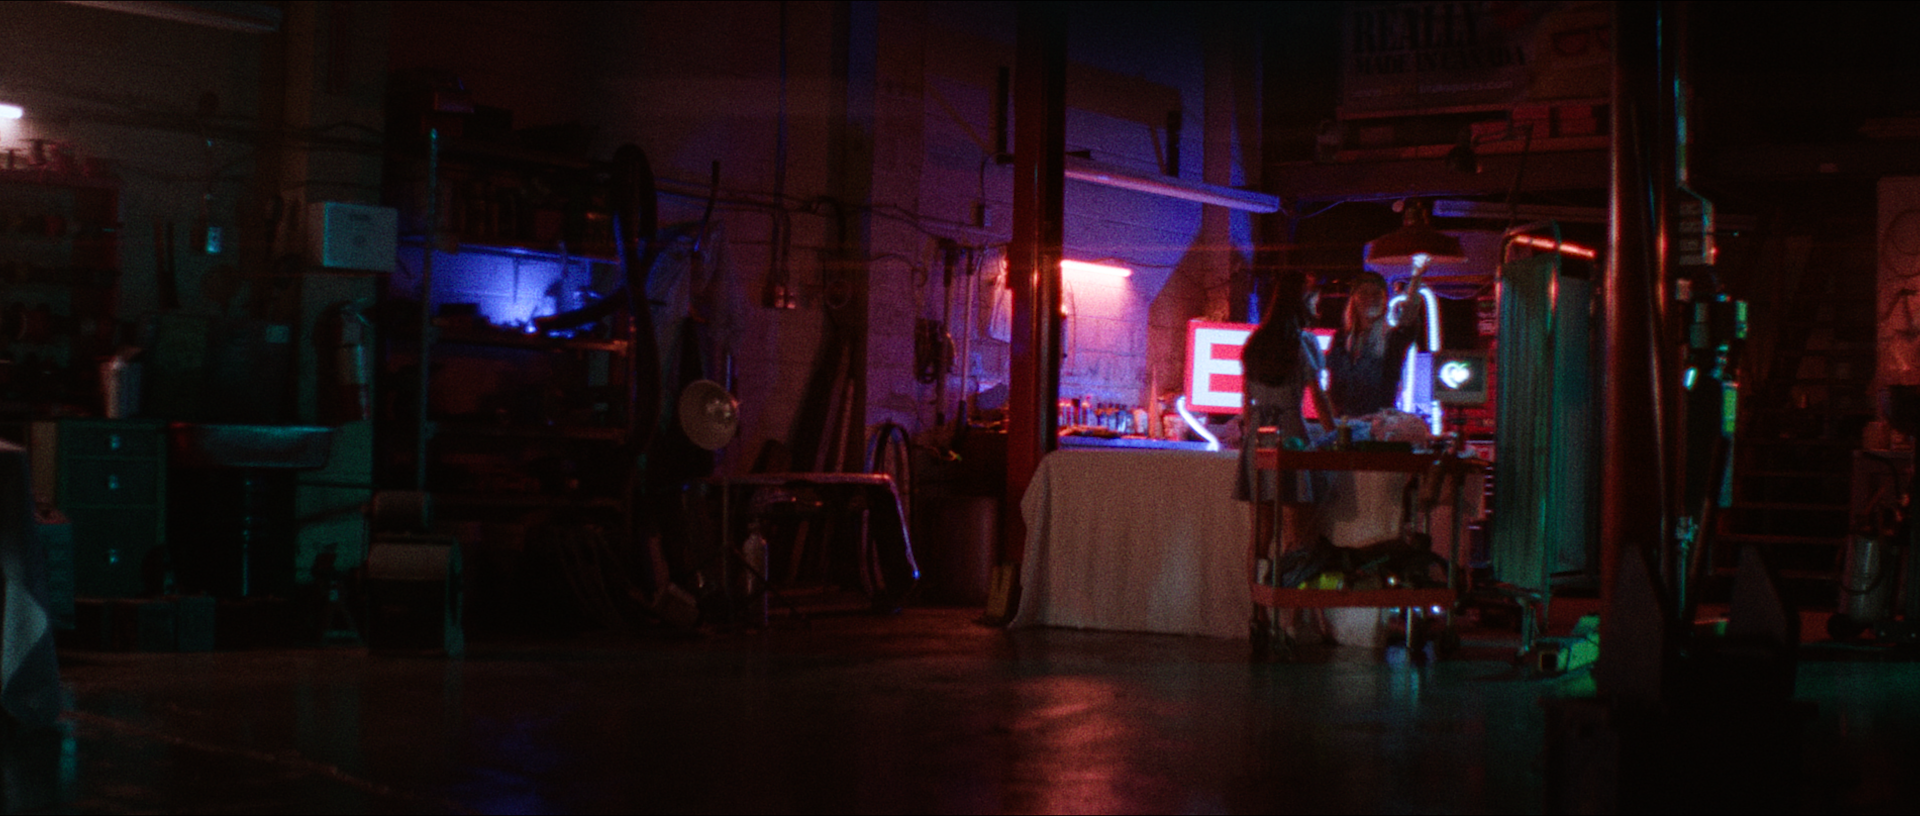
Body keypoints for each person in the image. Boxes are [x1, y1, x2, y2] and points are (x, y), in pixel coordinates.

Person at [1325, 270, 1426, 417]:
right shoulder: (1341, 339)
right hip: (1344, 424)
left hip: (1378, 425)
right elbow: (1331, 385)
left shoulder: (1391, 339)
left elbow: (1409, 318)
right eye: (1364, 293)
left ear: (1385, 300)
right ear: (1354, 299)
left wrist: (1416, 278)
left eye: (1376, 294)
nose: (1370, 298)